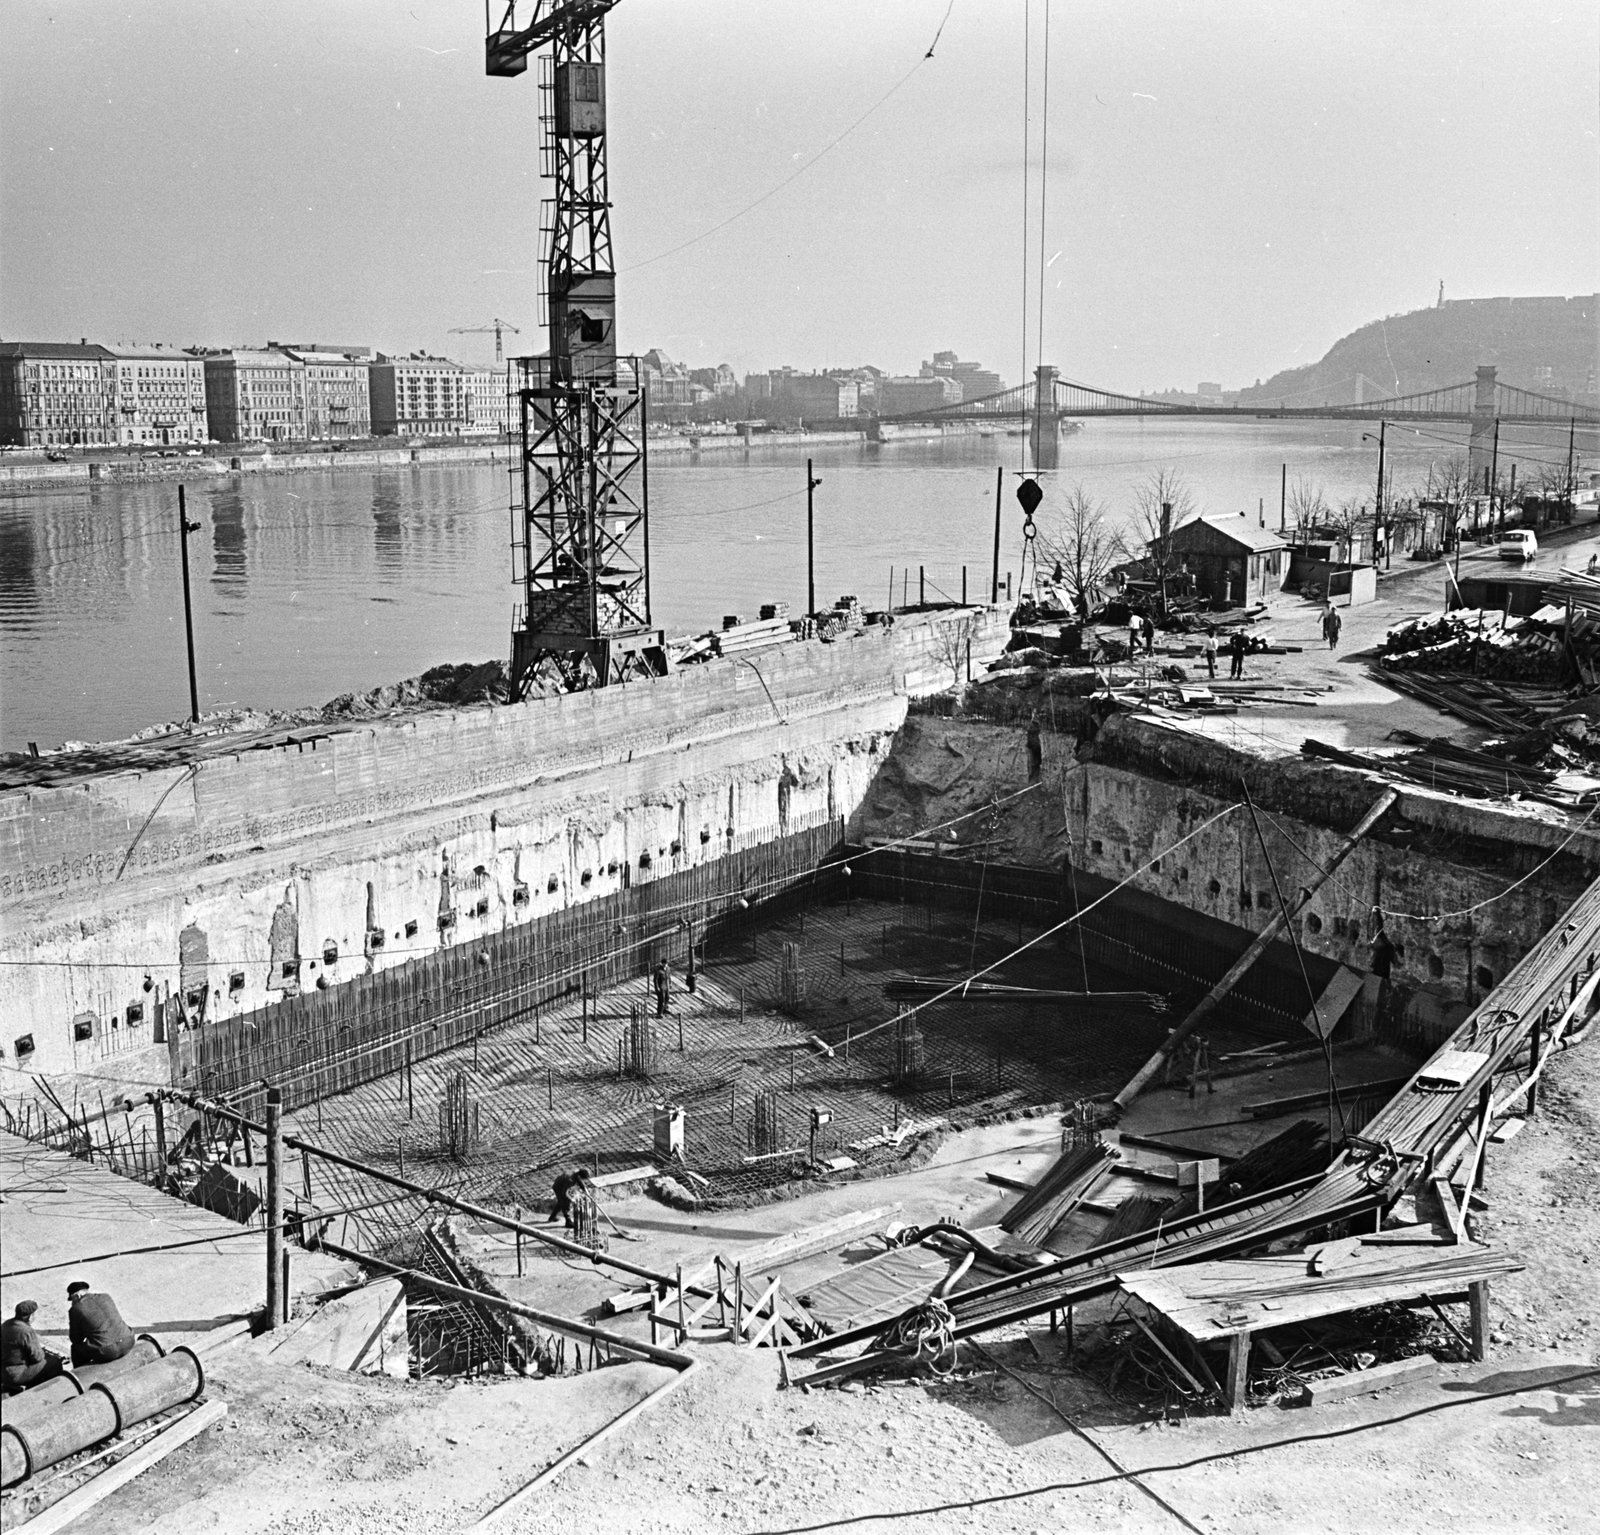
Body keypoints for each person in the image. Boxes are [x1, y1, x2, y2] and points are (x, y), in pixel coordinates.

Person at [66, 1282, 134, 1368]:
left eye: (72, 1299)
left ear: (76, 1296)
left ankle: (82, 1376)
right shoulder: (106, 1297)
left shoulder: (76, 1309)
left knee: (76, 1349)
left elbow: (75, 1339)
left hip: (108, 1351)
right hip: (128, 1341)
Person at [2, 1300, 61, 1394]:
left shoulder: (6, 1324)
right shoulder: (26, 1331)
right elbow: (37, 1357)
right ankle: (38, 1392)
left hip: (4, 1370)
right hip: (15, 1374)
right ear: (30, 1317)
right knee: (54, 1362)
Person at [1025, 716, 1042, 783]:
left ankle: (1036, 767)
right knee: (1033, 757)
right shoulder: (1031, 732)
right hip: (1032, 745)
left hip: (1035, 745)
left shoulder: (1035, 732)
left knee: (1036, 756)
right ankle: (1034, 768)